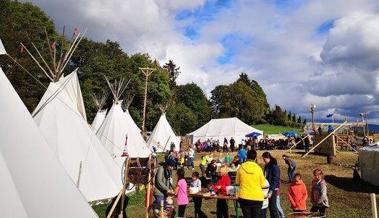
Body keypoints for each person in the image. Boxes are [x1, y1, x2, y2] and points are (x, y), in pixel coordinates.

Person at [236, 149, 266, 218]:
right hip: (257, 198)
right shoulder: (259, 169)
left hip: (244, 197)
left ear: (247, 156)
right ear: (255, 158)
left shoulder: (241, 167)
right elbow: (263, 184)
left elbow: (237, 182)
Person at [262, 152, 281, 218]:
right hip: (266, 189)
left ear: (268, 158)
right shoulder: (267, 166)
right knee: (267, 206)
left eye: (264, 159)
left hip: (273, 189)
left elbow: (275, 179)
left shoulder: (274, 167)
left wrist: (271, 191)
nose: (264, 161)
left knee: (272, 207)